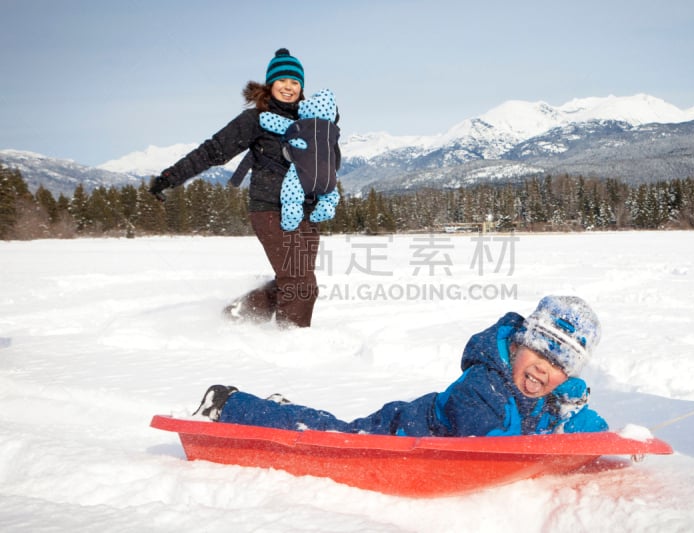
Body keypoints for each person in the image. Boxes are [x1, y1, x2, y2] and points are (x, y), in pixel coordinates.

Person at [192, 295, 609, 436]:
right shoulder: (485, 386)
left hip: (420, 431)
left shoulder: (550, 392)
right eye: (538, 355)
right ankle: (230, 404)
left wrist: (602, 436)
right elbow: (499, 440)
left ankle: (277, 406)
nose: (542, 371)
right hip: (400, 429)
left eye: (557, 366)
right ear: (519, 346)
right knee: (329, 434)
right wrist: (557, 425)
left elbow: (567, 421)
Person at [149, 48, 335, 328]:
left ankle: (239, 315)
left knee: (293, 278)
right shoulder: (255, 119)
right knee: (300, 282)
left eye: (295, 82)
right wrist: (171, 176)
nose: (289, 87)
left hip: (307, 213)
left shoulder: (311, 123)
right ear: (270, 84)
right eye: (282, 80)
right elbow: (213, 150)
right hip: (271, 210)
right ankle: (291, 344)